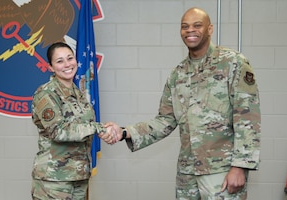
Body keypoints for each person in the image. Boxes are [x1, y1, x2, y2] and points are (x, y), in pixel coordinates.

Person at [102, 7, 261, 200]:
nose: (190, 30)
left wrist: (240, 166)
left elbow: (248, 117)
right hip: (188, 174)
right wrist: (124, 132)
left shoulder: (233, 62)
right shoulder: (177, 74)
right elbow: (164, 121)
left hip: (221, 170)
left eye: (197, 25)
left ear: (209, 29)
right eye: (185, 27)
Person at [31, 42, 114, 200]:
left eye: (70, 58)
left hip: (78, 177)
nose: (67, 64)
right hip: (54, 181)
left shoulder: (78, 94)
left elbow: (83, 128)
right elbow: (58, 131)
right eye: (60, 61)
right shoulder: (46, 93)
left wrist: (103, 130)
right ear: (50, 67)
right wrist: (99, 128)